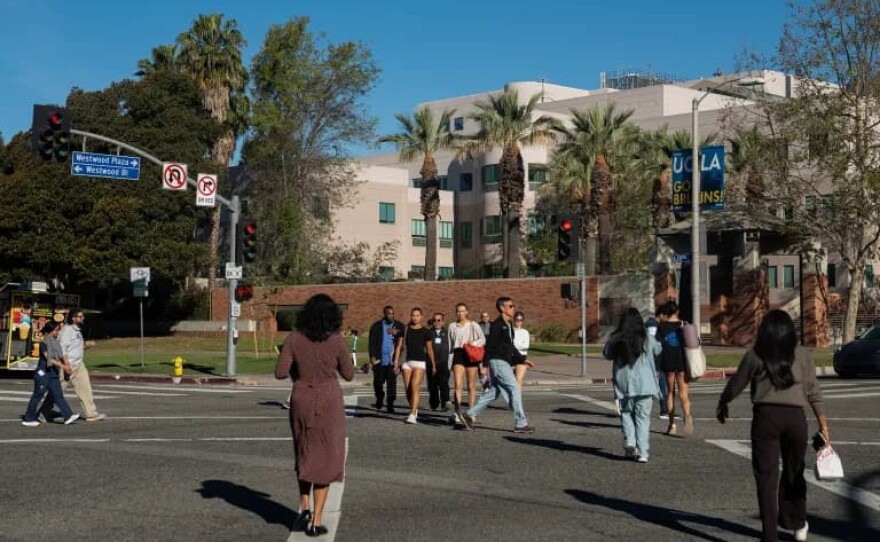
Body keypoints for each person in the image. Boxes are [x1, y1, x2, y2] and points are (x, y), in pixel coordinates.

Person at [716, 310, 828, 542]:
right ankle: (797, 523)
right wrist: (823, 426)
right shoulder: (804, 355)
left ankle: (770, 536)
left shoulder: (755, 355)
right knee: (794, 471)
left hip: (766, 418)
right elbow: (814, 393)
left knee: (766, 479)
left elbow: (737, 383)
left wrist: (723, 402)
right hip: (796, 419)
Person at [275, 294, 354, 537]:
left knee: (304, 451)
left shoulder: (294, 339)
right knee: (327, 458)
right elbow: (349, 374)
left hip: (301, 395)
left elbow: (280, 372)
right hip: (328, 398)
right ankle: (316, 520)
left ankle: (304, 507)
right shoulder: (336, 341)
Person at [460, 297, 533, 434]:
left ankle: (469, 415)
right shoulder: (497, 325)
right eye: (510, 306)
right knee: (514, 388)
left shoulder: (509, 325)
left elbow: (510, 347)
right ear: (502, 308)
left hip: (503, 362)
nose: (513, 308)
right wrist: (484, 365)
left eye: (513, 305)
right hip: (497, 362)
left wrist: (522, 359)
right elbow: (489, 346)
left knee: (494, 392)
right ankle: (520, 423)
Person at [603, 308, 662, 463]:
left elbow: (606, 354)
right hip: (645, 384)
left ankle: (630, 441)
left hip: (624, 384)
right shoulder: (647, 339)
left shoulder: (616, 339)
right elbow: (658, 349)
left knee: (627, 414)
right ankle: (643, 452)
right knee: (643, 418)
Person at [45, 308, 106, 422]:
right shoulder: (67, 330)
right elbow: (62, 348)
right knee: (58, 389)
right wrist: (66, 365)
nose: (82, 318)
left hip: (79, 364)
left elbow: (74, 346)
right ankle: (44, 412)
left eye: (82, 316)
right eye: (79, 316)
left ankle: (91, 413)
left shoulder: (76, 330)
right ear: (73, 318)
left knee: (85, 388)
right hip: (68, 364)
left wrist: (86, 345)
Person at [21, 322, 79, 427]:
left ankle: (68, 415)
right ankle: (28, 418)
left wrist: (67, 366)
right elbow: (49, 359)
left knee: (58, 395)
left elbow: (62, 355)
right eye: (56, 330)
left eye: (58, 330)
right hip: (43, 374)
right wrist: (63, 366)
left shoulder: (55, 342)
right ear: (49, 331)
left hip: (53, 374)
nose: (58, 332)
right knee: (38, 395)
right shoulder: (44, 343)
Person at [393, 307, 436, 424]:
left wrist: (433, 365)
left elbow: (430, 349)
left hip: (420, 362)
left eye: (417, 315)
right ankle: (414, 408)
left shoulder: (426, 332)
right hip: (406, 362)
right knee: (408, 390)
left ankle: (412, 415)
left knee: (414, 387)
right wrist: (396, 363)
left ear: (421, 317)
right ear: (410, 316)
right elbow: (398, 347)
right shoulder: (405, 329)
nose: (415, 317)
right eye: (413, 315)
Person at [655, 300, 692, 436]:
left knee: (670, 393)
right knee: (684, 394)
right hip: (682, 361)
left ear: (666, 312)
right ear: (676, 311)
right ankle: (687, 416)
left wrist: (657, 365)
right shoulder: (684, 324)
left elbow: (657, 346)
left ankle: (672, 424)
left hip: (668, 361)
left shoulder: (662, 327)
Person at [447, 303, 486, 425]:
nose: (460, 313)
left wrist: (473, 343)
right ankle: (457, 411)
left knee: (471, 385)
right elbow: (450, 345)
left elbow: (483, 339)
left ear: (467, 312)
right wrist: (449, 362)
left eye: (463, 311)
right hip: (458, 353)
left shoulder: (473, 325)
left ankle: (471, 413)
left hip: (470, 353)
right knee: (458, 384)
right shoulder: (452, 326)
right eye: (458, 311)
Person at [368, 306, 405, 413]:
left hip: (393, 360)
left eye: (392, 313)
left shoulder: (399, 325)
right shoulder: (376, 326)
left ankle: (390, 404)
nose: (391, 315)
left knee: (391, 384)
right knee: (378, 383)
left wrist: (396, 333)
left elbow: (404, 336)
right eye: (389, 313)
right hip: (380, 360)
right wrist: (372, 357)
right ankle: (379, 398)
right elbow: (372, 343)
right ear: (384, 314)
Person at [426, 312, 451, 411]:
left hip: (444, 363)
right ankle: (434, 403)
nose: (436, 322)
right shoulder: (429, 333)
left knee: (444, 383)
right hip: (431, 363)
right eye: (434, 320)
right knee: (432, 385)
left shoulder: (447, 333)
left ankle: (445, 402)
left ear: (443, 322)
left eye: (439, 320)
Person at [646, 315, 669, 419]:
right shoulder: (656, 339)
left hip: (655, 368)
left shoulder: (648, 339)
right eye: (650, 328)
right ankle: (663, 411)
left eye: (653, 328)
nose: (652, 330)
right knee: (661, 390)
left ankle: (664, 410)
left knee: (660, 390)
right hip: (655, 368)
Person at [512, 311, 535, 388]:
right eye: (517, 319)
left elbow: (525, 346)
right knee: (511, 381)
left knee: (519, 380)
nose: (518, 321)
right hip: (511, 357)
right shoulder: (510, 331)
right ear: (514, 319)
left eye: (520, 320)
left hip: (522, 357)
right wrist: (513, 346)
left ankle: (518, 399)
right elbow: (507, 344)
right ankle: (512, 399)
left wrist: (513, 345)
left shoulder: (525, 332)